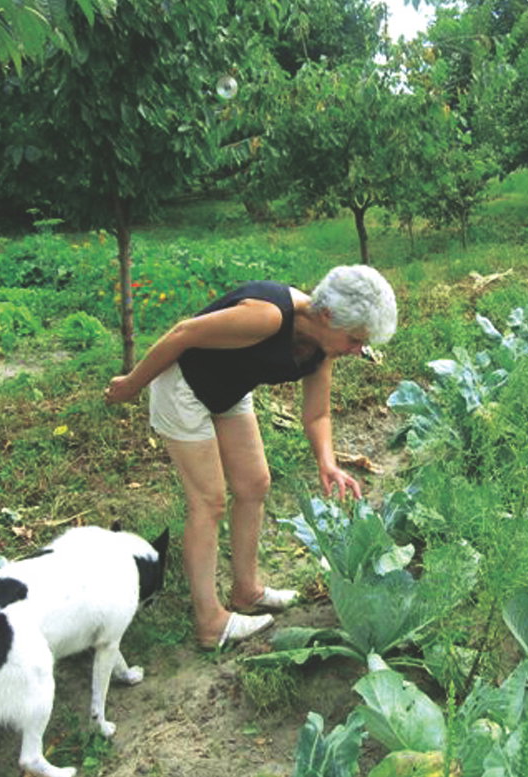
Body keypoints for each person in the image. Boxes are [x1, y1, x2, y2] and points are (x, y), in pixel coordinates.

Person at [103, 265, 397, 649]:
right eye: (355, 339)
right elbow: (183, 333)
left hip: (230, 385)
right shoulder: (268, 315)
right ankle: (210, 623)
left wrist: (327, 462)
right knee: (208, 502)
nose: (358, 350)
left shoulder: (322, 348)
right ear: (328, 316)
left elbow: (317, 414)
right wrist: (131, 385)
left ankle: (247, 592)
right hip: (183, 386)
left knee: (254, 484)